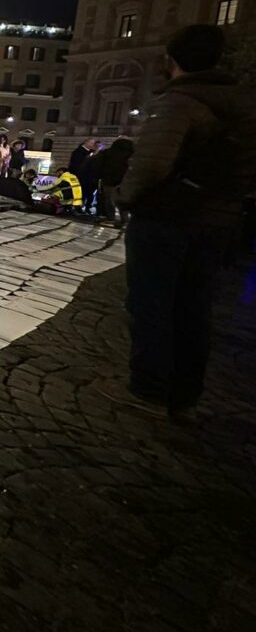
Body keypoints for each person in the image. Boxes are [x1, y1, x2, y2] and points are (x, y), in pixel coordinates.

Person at [105, 25, 256, 421]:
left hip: (167, 218)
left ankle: (149, 390)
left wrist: (124, 196)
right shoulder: (245, 105)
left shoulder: (181, 101)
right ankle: (185, 397)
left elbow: (152, 163)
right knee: (195, 308)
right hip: (220, 222)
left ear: (171, 60)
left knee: (152, 303)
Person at [90, 137, 135, 225]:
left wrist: (98, 177)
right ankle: (125, 220)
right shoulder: (131, 155)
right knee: (123, 200)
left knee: (109, 200)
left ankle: (111, 219)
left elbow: (97, 165)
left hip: (108, 180)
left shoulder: (107, 153)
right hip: (124, 181)